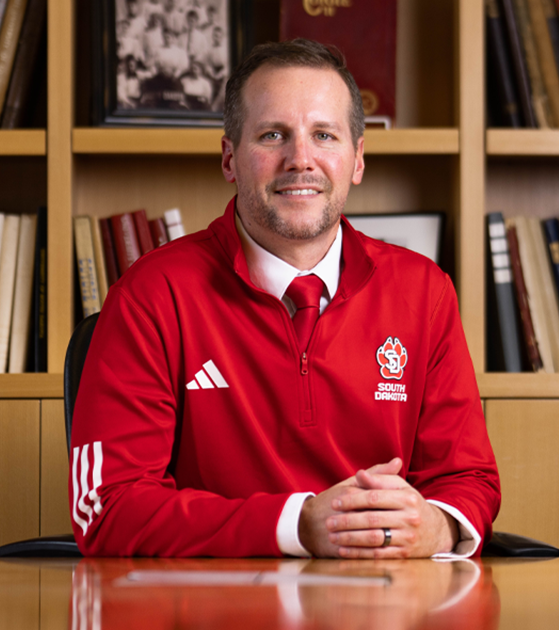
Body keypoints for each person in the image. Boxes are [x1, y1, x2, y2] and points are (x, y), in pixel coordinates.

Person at [69, 38, 500, 558]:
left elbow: (468, 477)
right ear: (229, 158)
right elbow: (107, 506)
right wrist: (297, 525)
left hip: (383, 605)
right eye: (273, 135)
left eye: (324, 135)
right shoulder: (151, 295)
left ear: (357, 160)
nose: (301, 160)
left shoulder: (424, 291)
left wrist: (437, 527)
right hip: (210, 612)